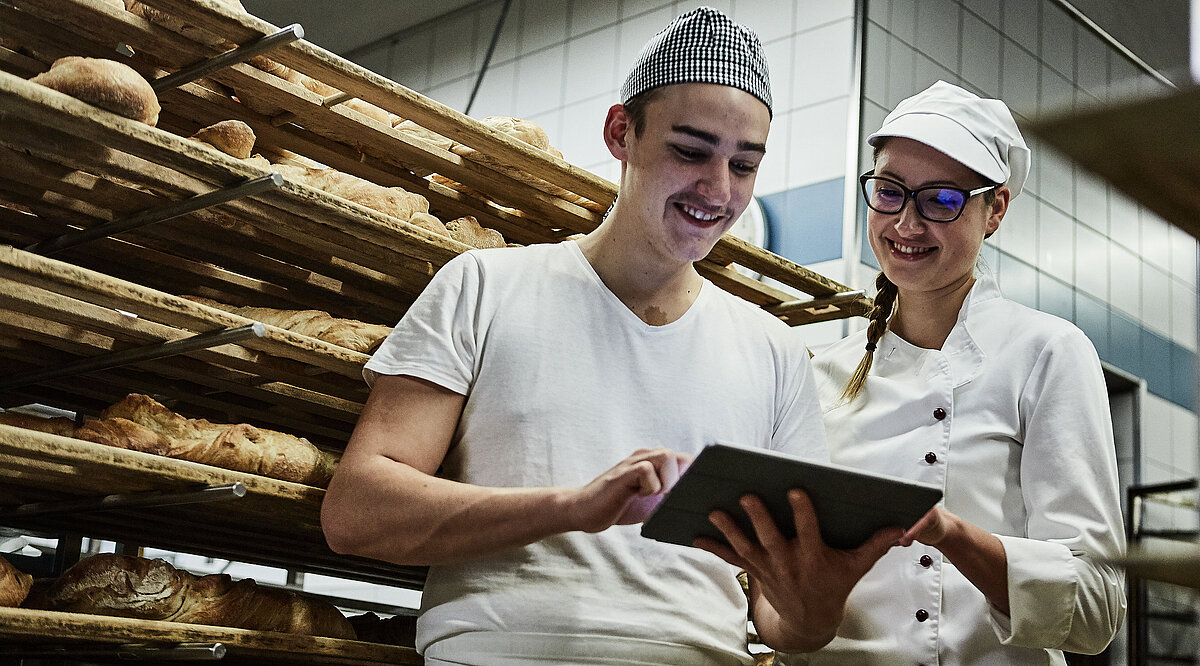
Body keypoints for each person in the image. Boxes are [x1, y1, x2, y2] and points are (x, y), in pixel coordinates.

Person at [320, 7, 897, 665]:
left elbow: (784, 626)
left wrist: (818, 599)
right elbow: (357, 512)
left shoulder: (776, 351)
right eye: (690, 151)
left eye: (744, 165)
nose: (717, 189)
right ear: (621, 132)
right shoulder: (484, 285)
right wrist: (574, 507)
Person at [792, 81, 1126, 663]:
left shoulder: (1045, 352)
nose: (906, 224)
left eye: (941, 200)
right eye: (890, 192)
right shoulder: (824, 373)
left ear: (994, 210)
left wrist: (952, 536)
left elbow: (1096, 609)